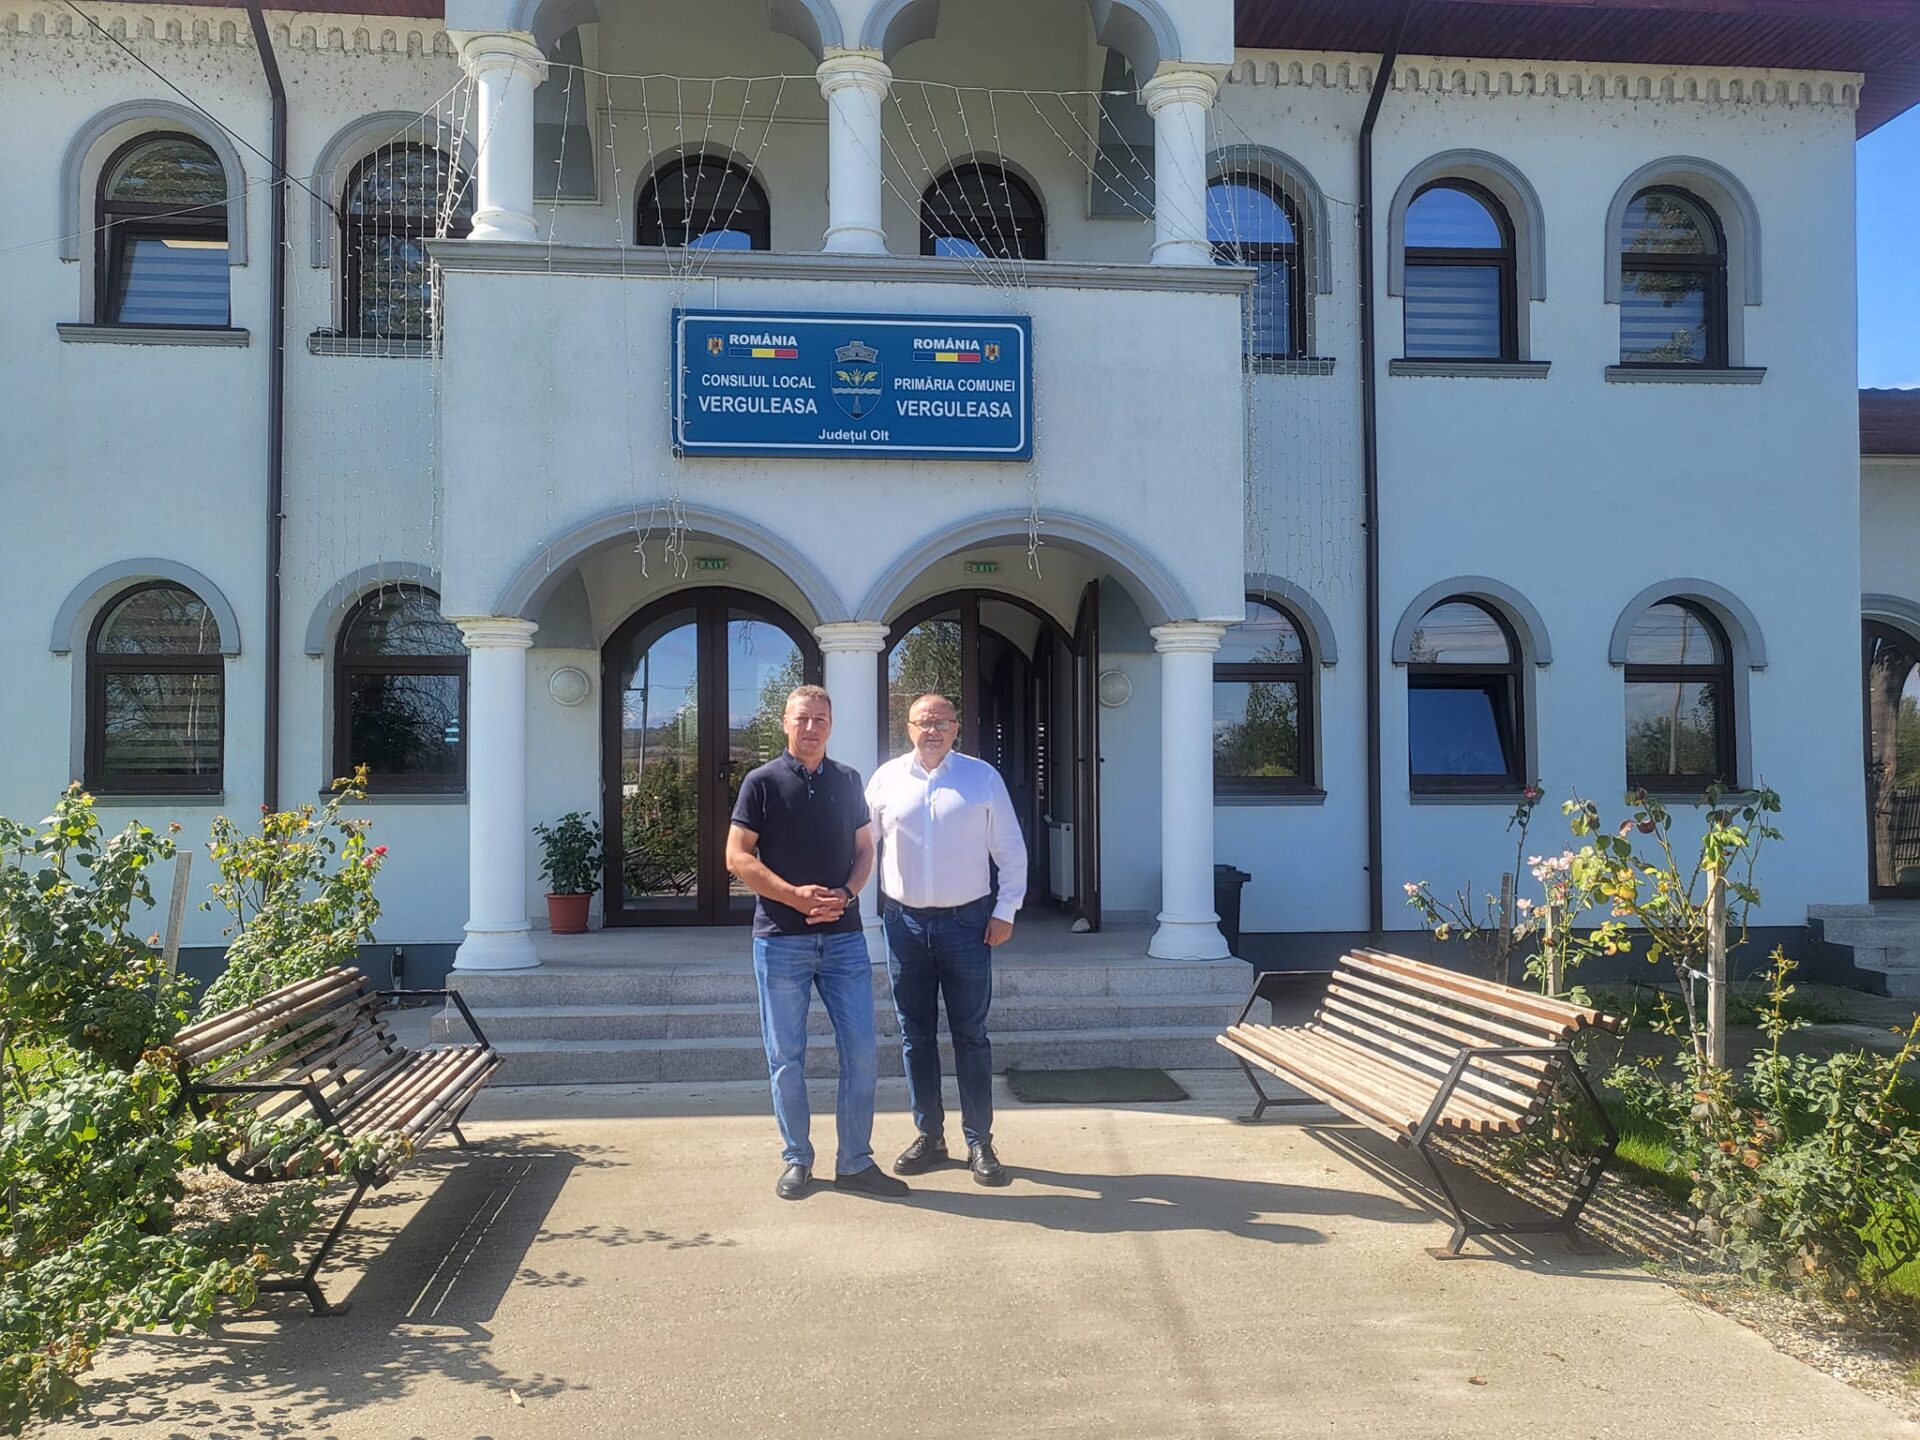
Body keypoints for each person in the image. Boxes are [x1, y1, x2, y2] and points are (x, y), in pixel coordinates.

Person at [726, 684, 908, 1202]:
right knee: (787, 1057)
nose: (811, 728)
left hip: (844, 940)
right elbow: (736, 857)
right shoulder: (761, 782)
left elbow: (865, 849)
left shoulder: (849, 781)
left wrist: (847, 895)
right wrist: (793, 897)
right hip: (781, 940)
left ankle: (855, 1162)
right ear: (785, 722)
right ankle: (797, 1159)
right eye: (802, 718)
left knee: (862, 1051)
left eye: (821, 719)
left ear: (831, 725)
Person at [865, 692, 1028, 1186]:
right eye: (923, 722)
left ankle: (979, 1141)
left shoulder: (982, 778)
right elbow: (861, 848)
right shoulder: (886, 779)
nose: (932, 730)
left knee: (970, 1036)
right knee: (915, 1036)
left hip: (967, 925)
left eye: (942, 722)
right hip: (904, 926)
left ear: (957, 728)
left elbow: (1011, 851)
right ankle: (929, 1137)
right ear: (908, 728)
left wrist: (1005, 911)